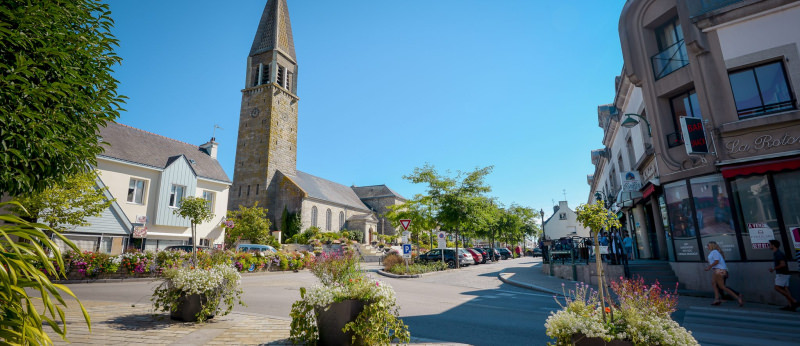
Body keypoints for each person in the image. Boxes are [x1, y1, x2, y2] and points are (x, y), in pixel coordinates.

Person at [704, 241, 743, 307]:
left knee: (721, 286)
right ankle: (717, 299)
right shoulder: (714, 252)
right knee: (714, 284)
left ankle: (738, 297)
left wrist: (709, 267)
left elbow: (717, 261)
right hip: (718, 270)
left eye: (708, 245)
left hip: (719, 270)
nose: (707, 247)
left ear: (711, 246)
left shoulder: (714, 252)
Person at [768, 239, 799, 311]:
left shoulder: (778, 254)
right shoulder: (777, 253)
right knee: (785, 288)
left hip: (782, 273)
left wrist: (773, 269)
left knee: (777, 288)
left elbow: (782, 264)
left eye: (770, 244)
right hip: (784, 273)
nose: (769, 246)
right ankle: (791, 305)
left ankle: (794, 301)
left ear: (773, 245)